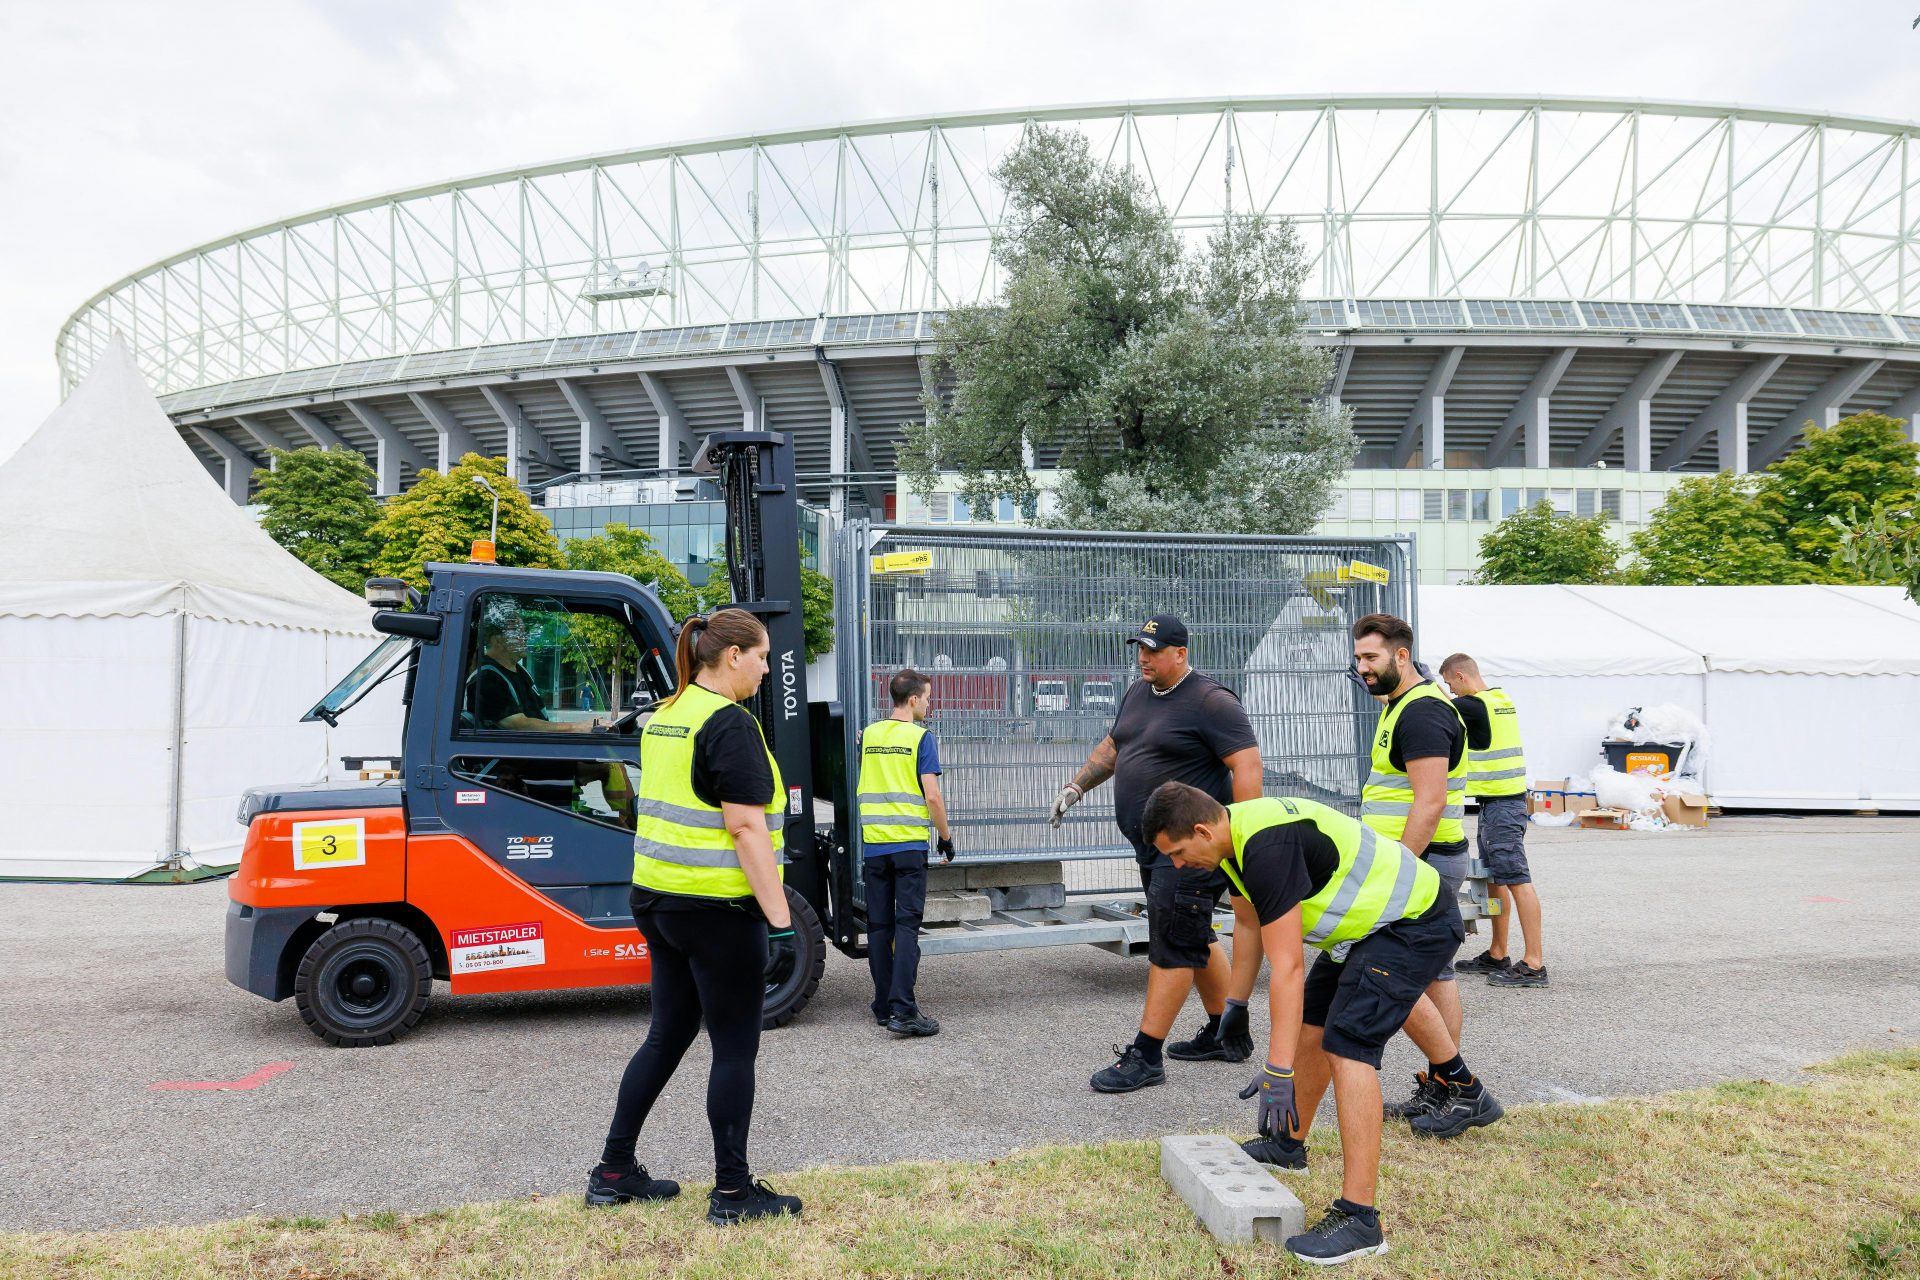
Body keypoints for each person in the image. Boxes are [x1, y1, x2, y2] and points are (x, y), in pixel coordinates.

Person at [1145, 783, 1503, 1266]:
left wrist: (1277, 1069)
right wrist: (1236, 1004)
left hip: (1414, 921)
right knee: (1315, 1020)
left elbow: (1288, 967)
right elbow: (1249, 924)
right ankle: (1288, 1145)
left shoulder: (1266, 847)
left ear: (1203, 830)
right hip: (1367, 927)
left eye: (1180, 853)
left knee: (1348, 1043)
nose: (1179, 866)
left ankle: (1360, 1218)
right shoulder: (1231, 842)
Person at [586, 608, 804, 1225]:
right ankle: (733, 1194)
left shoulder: (666, 716)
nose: (767, 668)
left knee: (666, 1035)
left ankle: (613, 1171)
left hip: (656, 899)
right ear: (732, 655)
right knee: (734, 1049)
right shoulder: (729, 723)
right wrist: (781, 920)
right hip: (716, 909)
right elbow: (744, 826)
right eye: (761, 655)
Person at [1048, 614, 1266, 1093]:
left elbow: (1247, 765)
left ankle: (1146, 1055)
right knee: (1192, 934)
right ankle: (1226, 1032)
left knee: (1171, 944)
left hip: (1193, 850)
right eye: (1140, 649)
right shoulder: (1139, 693)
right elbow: (1115, 744)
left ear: (1180, 653)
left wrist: (1246, 835)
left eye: (1153, 650)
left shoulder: (1211, 701)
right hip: (1154, 846)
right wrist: (1076, 786)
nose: (1143, 657)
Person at [1351, 612, 1480, 1124]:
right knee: (1433, 977)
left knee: (1409, 977)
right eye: (1358, 656)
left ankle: (1454, 1088)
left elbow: (1428, 802)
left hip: (1422, 864)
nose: (1361, 666)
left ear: (1401, 656)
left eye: (1370, 657)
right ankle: (1444, 1086)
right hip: (1419, 862)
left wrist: (1400, 868)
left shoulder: (1423, 713)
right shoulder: (1400, 704)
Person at [858, 668, 955, 1038]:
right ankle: (903, 1010)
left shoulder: (869, 735)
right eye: (927, 699)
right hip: (909, 847)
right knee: (907, 928)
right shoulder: (920, 738)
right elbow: (932, 795)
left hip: (875, 846)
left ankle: (883, 1006)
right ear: (912, 700)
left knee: (880, 927)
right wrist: (944, 837)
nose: (929, 706)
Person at [1441, 653, 1548, 988]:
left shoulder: (1473, 706)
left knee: (1516, 878)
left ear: (1461, 676)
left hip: (1503, 807)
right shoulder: (1499, 698)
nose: (1451, 691)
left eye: (1450, 684)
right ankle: (1498, 951)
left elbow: (1434, 707)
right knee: (1496, 879)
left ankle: (1534, 963)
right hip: (1499, 804)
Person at [467, 605, 600, 733]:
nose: (525, 637)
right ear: (497, 639)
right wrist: (576, 728)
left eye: (525, 631)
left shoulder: (519, 670)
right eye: (518, 631)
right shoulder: (485, 678)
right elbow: (518, 725)